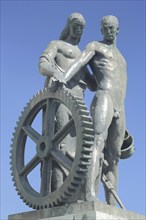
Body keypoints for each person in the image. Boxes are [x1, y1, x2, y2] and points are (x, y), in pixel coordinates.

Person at [64, 15, 127, 206]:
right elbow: (81, 63)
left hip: (120, 106)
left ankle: (111, 205)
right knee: (97, 144)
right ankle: (90, 194)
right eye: (105, 27)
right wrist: (63, 77)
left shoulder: (122, 58)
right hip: (104, 97)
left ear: (118, 30)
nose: (109, 30)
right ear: (101, 30)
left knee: (114, 157)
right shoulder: (94, 46)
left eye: (112, 27)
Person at [39, 13, 96, 192]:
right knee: (59, 145)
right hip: (61, 98)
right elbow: (42, 64)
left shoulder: (82, 55)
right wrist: (55, 73)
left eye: (82, 27)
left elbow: (93, 84)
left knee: (80, 148)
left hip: (79, 103)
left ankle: (74, 193)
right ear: (69, 26)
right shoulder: (56, 45)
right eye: (76, 25)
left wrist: (98, 64)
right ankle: (57, 191)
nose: (79, 30)